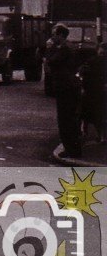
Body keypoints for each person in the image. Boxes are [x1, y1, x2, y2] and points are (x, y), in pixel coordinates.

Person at [45, 24, 82, 158]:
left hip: (65, 86)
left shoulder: (63, 48)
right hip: (71, 85)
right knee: (71, 118)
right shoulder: (70, 46)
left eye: (55, 34)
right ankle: (74, 147)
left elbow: (52, 61)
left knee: (65, 119)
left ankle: (71, 148)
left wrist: (50, 48)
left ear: (60, 35)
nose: (53, 37)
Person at [79, 42, 105, 143]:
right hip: (94, 90)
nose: (102, 55)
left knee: (88, 113)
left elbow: (83, 73)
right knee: (95, 114)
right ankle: (97, 135)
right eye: (101, 53)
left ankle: (87, 133)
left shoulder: (91, 61)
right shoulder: (92, 62)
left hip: (94, 90)